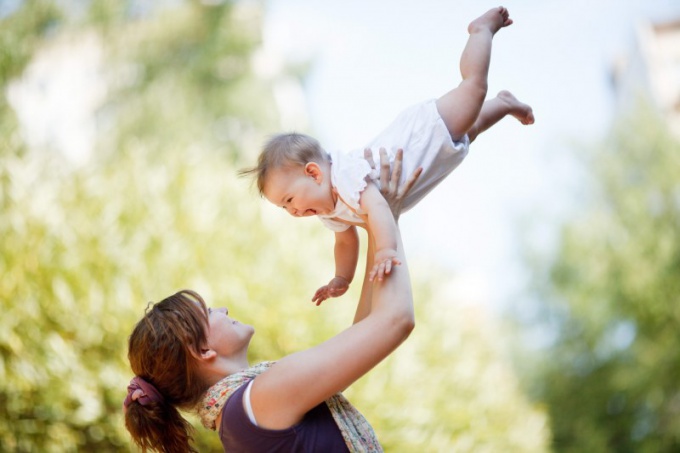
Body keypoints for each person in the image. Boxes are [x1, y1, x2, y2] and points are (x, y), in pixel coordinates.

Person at [123, 153, 420, 452]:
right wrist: (387, 221)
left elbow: (366, 332)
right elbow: (394, 321)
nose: (223, 309)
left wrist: (378, 227)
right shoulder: (258, 400)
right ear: (202, 349)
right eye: (209, 312)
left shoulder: (240, 417)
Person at [240, 6, 534, 305]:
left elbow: (378, 207)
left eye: (289, 199)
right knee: (474, 127)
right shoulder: (329, 209)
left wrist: (385, 250)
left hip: (424, 134)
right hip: (434, 157)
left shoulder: (344, 176)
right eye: (283, 207)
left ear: (314, 173)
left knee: (472, 90)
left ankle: (480, 30)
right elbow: (345, 241)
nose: (292, 211)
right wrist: (342, 278)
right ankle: (505, 103)